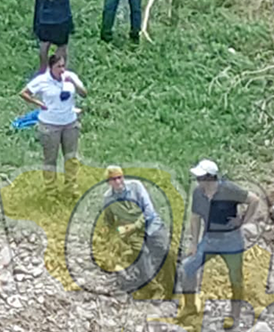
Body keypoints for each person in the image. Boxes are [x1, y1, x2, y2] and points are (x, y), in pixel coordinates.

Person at [179, 159, 261, 325]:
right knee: (188, 268)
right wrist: (194, 243)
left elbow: (254, 200)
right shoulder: (197, 193)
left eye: (200, 177)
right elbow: (195, 219)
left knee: (236, 277)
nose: (197, 180)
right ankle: (189, 307)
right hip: (210, 239)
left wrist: (243, 221)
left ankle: (235, 315)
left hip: (232, 241)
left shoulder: (229, 190)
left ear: (210, 177)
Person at [21, 55, 86, 193]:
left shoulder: (70, 76)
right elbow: (24, 93)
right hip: (50, 125)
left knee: (71, 157)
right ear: (51, 67)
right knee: (50, 158)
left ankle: (71, 186)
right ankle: (50, 189)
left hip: (70, 122)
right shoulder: (42, 80)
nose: (62, 70)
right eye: (58, 67)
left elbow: (84, 93)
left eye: (63, 66)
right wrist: (38, 103)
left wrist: (74, 83)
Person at [102, 165, 168, 293]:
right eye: (113, 179)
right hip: (132, 231)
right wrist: (112, 234)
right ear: (108, 182)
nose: (117, 182)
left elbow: (149, 210)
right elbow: (109, 221)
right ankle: (152, 286)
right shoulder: (108, 198)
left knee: (163, 249)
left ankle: (169, 280)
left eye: (119, 177)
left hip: (151, 224)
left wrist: (136, 225)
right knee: (140, 253)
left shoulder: (136, 187)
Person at [33, 0, 73, 74]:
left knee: (44, 43)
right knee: (62, 45)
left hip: (43, 16)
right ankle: (60, 72)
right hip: (61, 16)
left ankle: (43, 71)